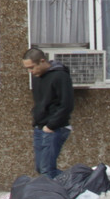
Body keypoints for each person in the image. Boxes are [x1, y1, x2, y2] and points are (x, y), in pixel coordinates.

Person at [25, 45, 74, 175]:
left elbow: (67, 104)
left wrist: (51, 126)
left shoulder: (60, 76)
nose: (30, 71)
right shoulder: (37, 77)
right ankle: (70, 185)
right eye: (27, 68)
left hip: (55, 128)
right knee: (41, 168)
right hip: (40, 127)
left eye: (32, 67)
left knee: (47, 170)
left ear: (42, 61)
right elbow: (41, 102)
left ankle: (74, 185)